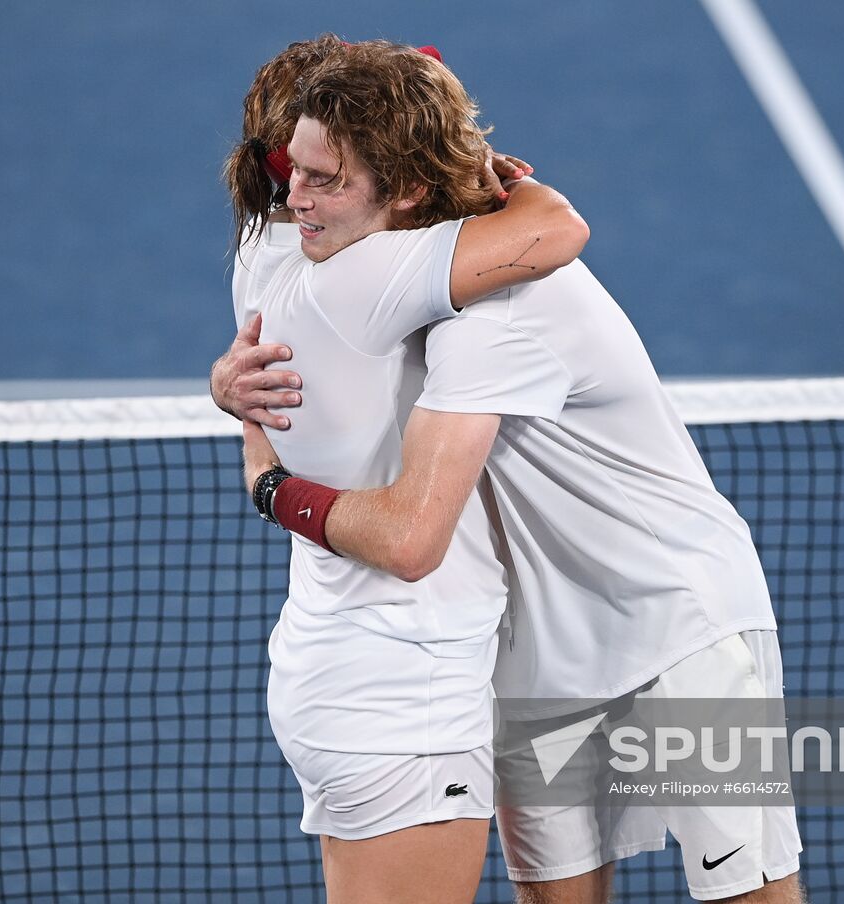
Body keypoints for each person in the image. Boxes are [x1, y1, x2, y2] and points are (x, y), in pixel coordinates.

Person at [221, 43, 805, 904]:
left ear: (404, 183)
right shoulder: (387, 268)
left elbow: (412, 532)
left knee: (746, 894)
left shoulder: (494, 312)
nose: (294, 198)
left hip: (678, 620)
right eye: (288, 171)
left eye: (321, 174)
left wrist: (269, 481)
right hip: (529, 640)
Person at [218, 37, 589, 904]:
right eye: (309, 170)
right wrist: (492, 171)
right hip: (399, 694)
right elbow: (556, 228)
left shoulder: (274, 250)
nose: (311, 192)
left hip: (352, 669)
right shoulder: (363, 272)